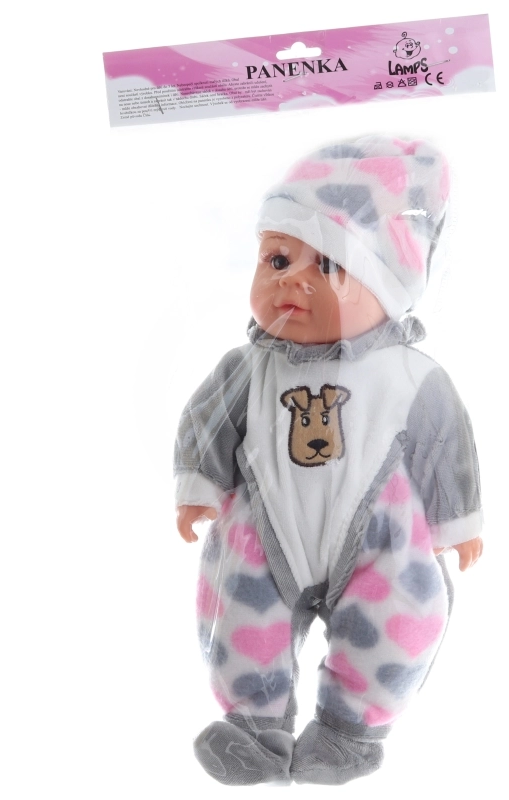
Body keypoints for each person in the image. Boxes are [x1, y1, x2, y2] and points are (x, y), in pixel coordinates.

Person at [174, 135, 483, 785]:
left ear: (386, 287)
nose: (292, 279)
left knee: (403, 612)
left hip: (380, 537)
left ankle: (348, 731)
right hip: (263, 532)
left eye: (329, 265)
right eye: (278, 258)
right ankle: (253, 729)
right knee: (237, 610)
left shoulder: (409, 374)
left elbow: (445, 443)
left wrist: (456, 523)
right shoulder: (248, 368)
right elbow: (208, 422)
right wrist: (199, 486)